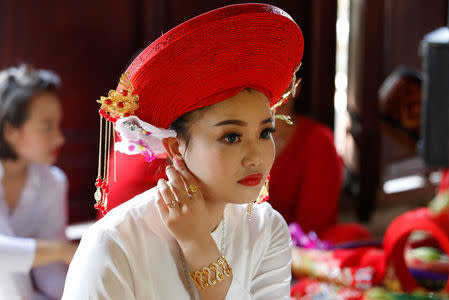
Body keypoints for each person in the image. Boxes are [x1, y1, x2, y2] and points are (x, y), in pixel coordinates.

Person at [62, 3, 303, 299]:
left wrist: (199, 246)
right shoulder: (114, 242)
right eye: (231, 137)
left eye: (265, 132)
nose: (256, 156)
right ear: (175, 147)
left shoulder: (267, 229)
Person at [0, 65, 77, 299]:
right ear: (10, 130)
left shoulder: (53, 182)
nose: (60, 137)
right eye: (47, 127)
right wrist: (61, 250)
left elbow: (50, 270)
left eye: (58, 125)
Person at [270, 85, 372, 244]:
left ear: (296, 86)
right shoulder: (234, 140)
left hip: (298, 245)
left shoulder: (318, 141)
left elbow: (312, 226)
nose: (273, 94)